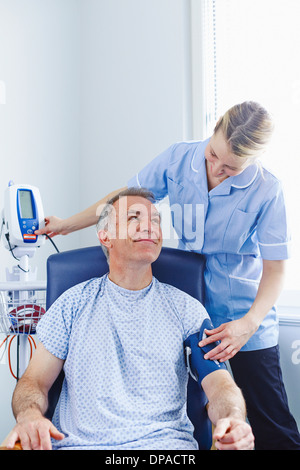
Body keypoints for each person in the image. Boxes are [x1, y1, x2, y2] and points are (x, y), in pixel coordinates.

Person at [35, 101, 300, 450]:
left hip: (242, 314)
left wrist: (249, 322)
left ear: (250, 162)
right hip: (188, 298)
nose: (217, 168)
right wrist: (68, 225)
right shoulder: (178, 158)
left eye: (230, 168)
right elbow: (123, 200)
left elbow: (276, 268)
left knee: (270, 424)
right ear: (213, 131)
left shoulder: (267, 189)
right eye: (212, 155)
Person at [4, 188, 254, 451]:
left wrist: (234, 418)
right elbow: (33, 382)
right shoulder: (71, 304)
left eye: (155, 221)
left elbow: (220, 385)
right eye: (134, 218)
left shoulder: (187, 309)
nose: (149, 227)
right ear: (105, 235)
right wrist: (29, 415)